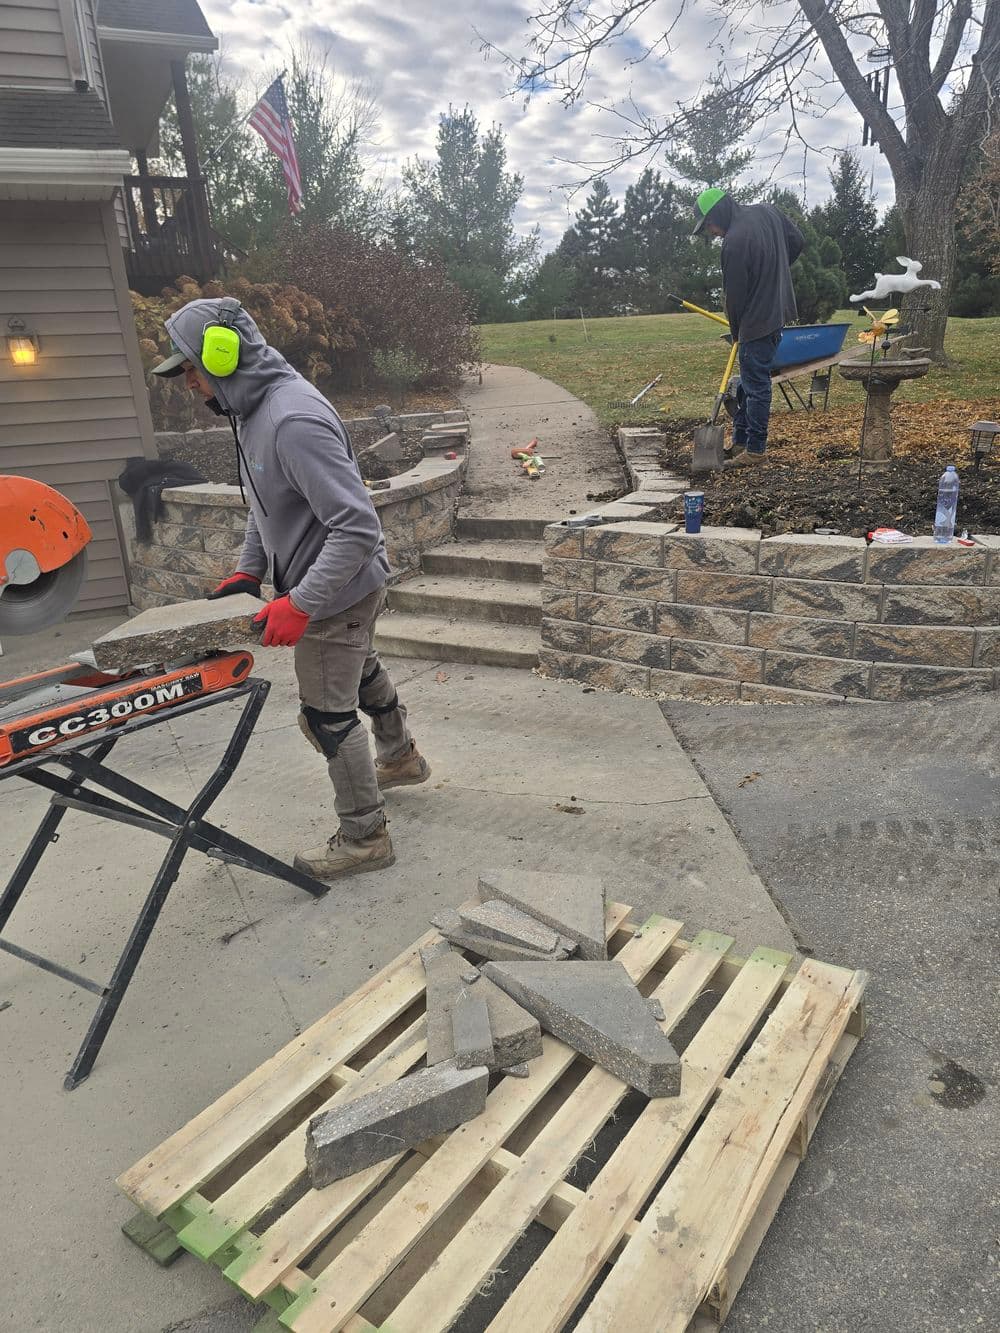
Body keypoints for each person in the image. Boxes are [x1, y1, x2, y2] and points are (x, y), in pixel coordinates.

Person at [151, 297, 430, 881]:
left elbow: (356, 526)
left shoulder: (291, 421)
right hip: (328, 585)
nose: (188, 385)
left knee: (326, 717)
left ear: (223, 359)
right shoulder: (252, 412)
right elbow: (265, 504)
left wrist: (301, 603)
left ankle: (364, 837)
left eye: (191, 371)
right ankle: (400, 757)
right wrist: (248, 571)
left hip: (336, 589)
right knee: (359, 668)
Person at [693, 188, 804, 465]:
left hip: (756, 321)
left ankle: (755, 450)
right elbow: (797, 241)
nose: (712, 232)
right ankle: (741, 441)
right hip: (777, 311)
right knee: (746, 384)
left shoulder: (734, 243)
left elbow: (735, 297)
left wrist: (736, 332)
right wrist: (774, 270)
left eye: (709, 225)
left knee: (755, 386)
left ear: (718, 213)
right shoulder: (767, 210)